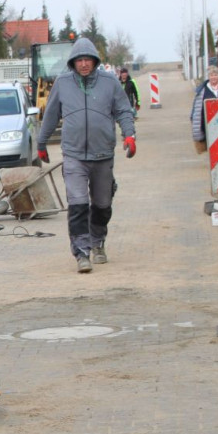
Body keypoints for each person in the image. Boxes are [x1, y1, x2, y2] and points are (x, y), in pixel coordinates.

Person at [36, 37, 137, 274]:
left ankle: (97, 241)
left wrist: (129, 135)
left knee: (102, 205)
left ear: (94, 61)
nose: (83, 64)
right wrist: (41, 142)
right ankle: (82, 252)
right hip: (74, 155)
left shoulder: (110, 82)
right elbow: (50, 115)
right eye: (79, 60)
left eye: (87, 60)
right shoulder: (62, 83)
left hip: (103, 154)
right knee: (78, 204)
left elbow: (123, 110)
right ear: (73, 62)